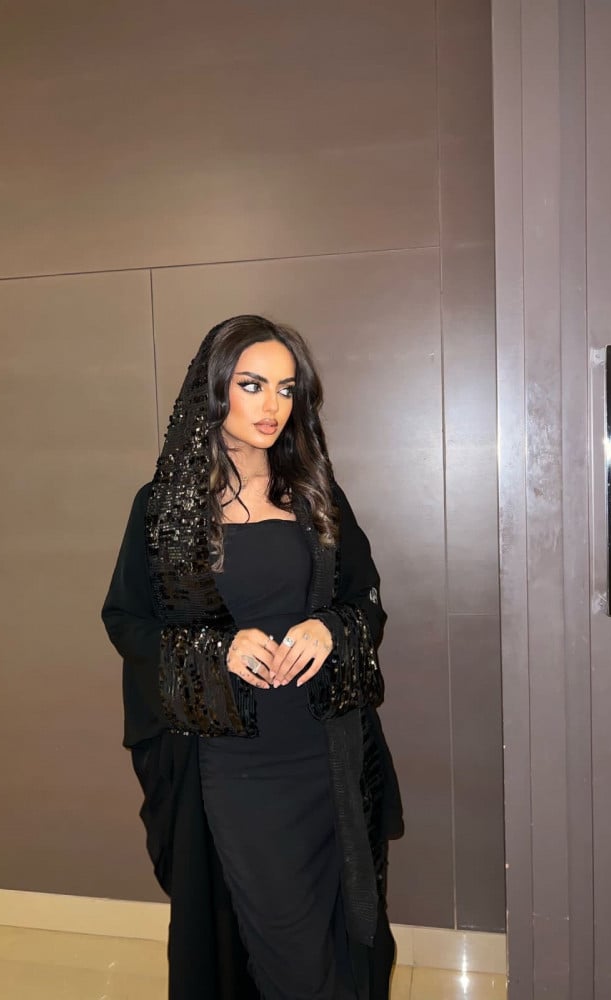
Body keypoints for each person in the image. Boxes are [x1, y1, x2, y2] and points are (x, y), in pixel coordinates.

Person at [101, 315, 403, 1000]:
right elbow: (127, 621)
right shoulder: (166, 509)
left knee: (339, 937)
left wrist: (331, 628)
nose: (272, 406)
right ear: (215, 390)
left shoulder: (316, 495)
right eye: (252, 384)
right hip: (233, 771)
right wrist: (216, 650)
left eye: (286, 388)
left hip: (325, 757)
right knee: (284, 953)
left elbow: (365, 600)